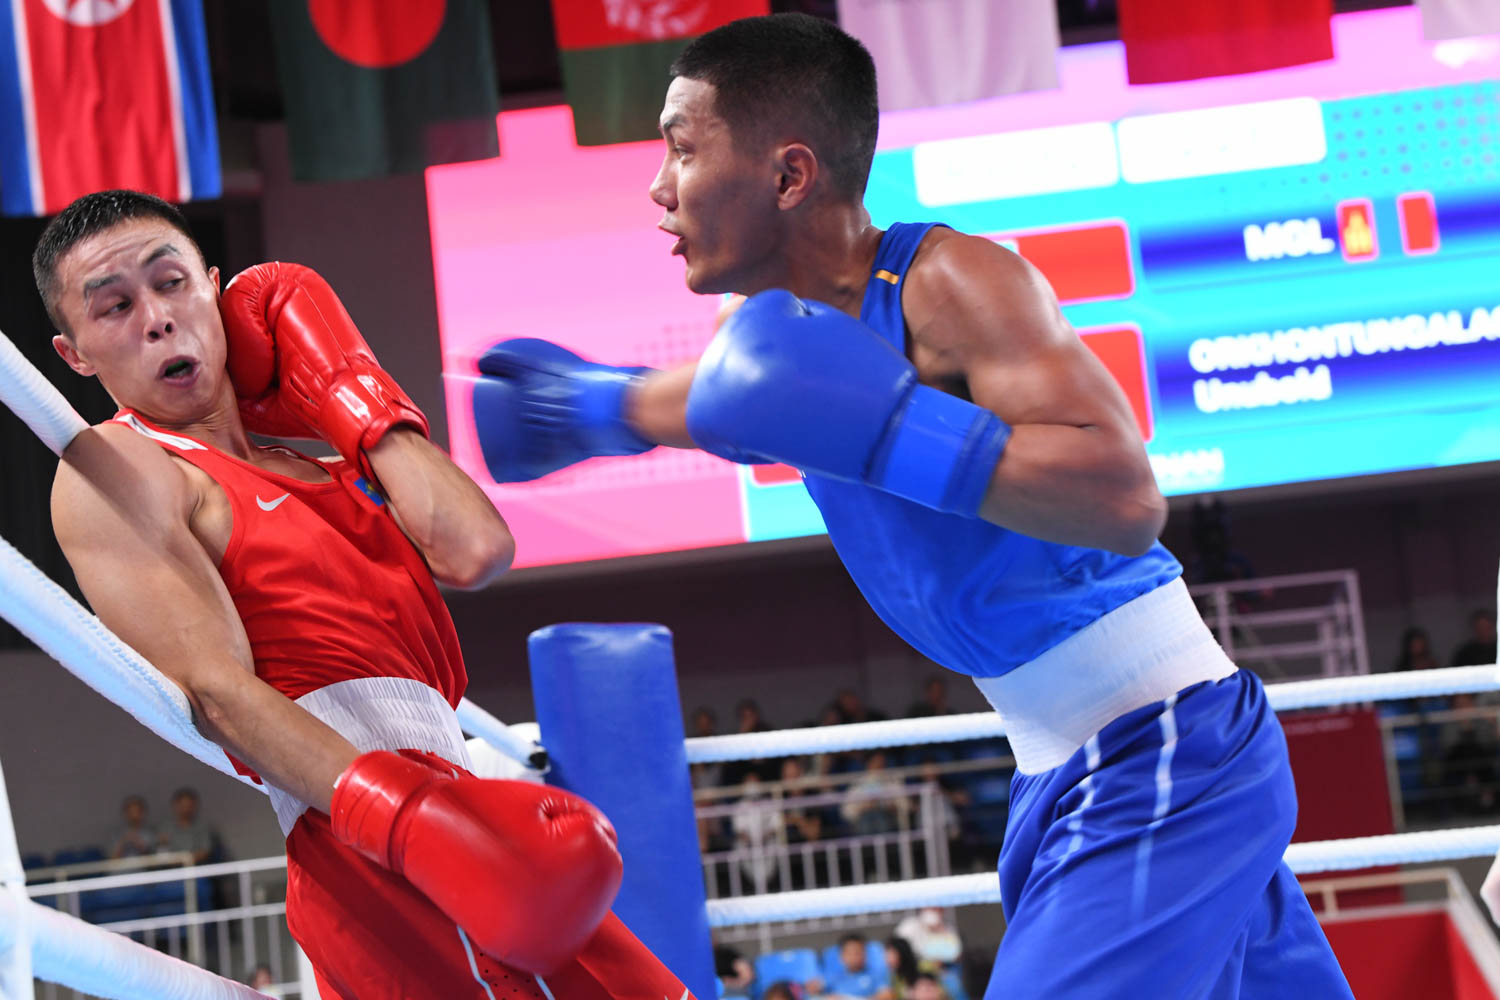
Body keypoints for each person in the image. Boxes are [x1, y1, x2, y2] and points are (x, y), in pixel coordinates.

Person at [468, 13, 1353, 998]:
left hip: (1160, 747)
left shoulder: (949, 283)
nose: (658, 185)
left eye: (682, 148)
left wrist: (895, 430)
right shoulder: (770, 339)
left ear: (789, 175)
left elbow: (1123, 494)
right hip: (1058, 766)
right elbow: (725, 400)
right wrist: (586, 408)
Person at [39, 190, 691, 1000]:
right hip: (365, 834)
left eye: (171, 284)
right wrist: (407, 822)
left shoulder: (326, 466)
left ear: (214, 289)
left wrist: (349, 398)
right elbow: (216, 693)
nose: (158, 319)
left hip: (460, 810)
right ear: (75, 354)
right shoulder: (119, 467)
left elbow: (476, 548)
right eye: (115, 307)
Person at [818, 934, 891, 999]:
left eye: (857, 953)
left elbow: (887, 996)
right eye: (849, 953)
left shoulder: (874, 975)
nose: (853, 957)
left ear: (865, 954)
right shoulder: (833, 978)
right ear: (841, 956)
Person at [161, 787, 216, 865]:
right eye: (183, 806)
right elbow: (161, 852)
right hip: (171, 868)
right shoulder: (166, 826)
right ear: (176, 805)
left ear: (195, 806)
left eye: (189, 806)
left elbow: (205, 851)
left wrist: (185, 860)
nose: (186, 809)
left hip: (197, 867)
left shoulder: (202, 826)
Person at [109, 794, 157, 859]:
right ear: (125, 813)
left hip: (145, 865)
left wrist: (139, 844)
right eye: (130, 812)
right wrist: (124, 841)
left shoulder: (151, 832)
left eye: (137, 811)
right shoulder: (116, 833)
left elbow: (155, 858)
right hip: (123, 865)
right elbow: (111, 858)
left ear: (143, 813)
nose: (134, 815)